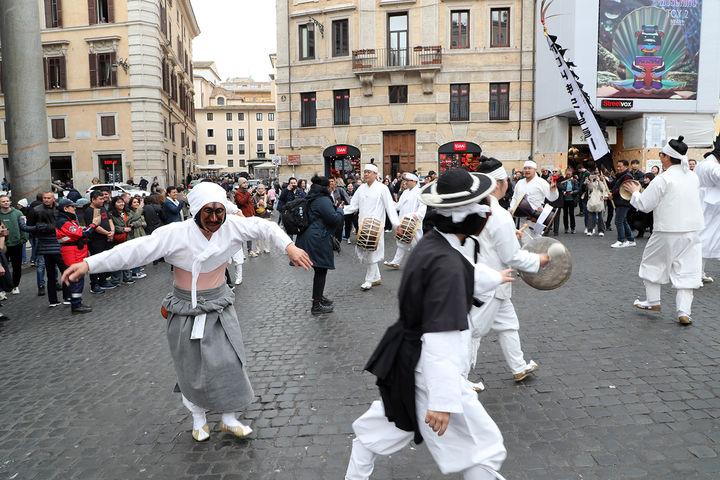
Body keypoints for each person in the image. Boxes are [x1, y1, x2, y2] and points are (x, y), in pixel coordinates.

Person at [62, 182, 312, 442]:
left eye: (219, 212)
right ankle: (199, 419)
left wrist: (289, 247)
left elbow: (265, 226)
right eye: (208, 212)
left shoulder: (233, 226)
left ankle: (228, 418)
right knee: (191, 366)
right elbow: (134, 251)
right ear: (195, 212)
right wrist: (89, 264)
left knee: (230, 361)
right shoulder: (175, 234)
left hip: (219, 305)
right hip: (185, 309)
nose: (214, 219)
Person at [345, 168, 509, 480]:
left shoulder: (435, 244)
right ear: (468, 218)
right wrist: (442, 402)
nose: (487, 213)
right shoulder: (444, 261)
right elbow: (441, 338)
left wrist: (497, 276)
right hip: (427, 369)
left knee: (380, 428)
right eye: (483, 207)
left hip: (407, 359)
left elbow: (467, 271)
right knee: (483, 449)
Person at [468, 158, 550, 384]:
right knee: (473, 331)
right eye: (505, 181)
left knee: (508, 325)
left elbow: (483, 239)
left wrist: (507, 238)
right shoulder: (500, 214)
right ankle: (458, 379)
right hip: (490, 282)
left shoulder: (475, 207)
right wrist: (539, 259)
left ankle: (518, 366)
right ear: (498, 184)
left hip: (492, 281)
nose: (508, 185)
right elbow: (512, 257)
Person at [624, 136, 704, 325]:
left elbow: (644, 205)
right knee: (687, 271)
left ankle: (653, 301)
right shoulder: (693, 176)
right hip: (692, 231)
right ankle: (684, 312)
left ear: (667, 158)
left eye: (661, 154)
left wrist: (635, 192)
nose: (660, 157)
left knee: (651, 264)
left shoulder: (663, 179)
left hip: (667, 230)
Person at [342, 164, 401, 290]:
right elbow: (353, 206)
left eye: (369, 172)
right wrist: (340, 211)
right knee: (367, 251)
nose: (366, 174)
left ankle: (369, 279)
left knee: (371, 252)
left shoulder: (382, 188)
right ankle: (377, 277)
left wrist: (396, 224)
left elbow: (390, 207)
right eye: (365, 172)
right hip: (363, 225)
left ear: (375, 174)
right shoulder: (361, 189)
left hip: (376, 226)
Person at [295, 175, 344, 315]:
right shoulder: (322, 199)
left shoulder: (313, 196)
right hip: (317, 238)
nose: (331, 187)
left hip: (311, 236)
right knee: (321, 269)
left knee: (319, 270)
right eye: (329, 186)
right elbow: (334, 219)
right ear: (326, 187)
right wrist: (340, 210)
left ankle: (319, 297)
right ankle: (316, 305)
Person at [20, 191, 71, 306]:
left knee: (63, 271)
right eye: (44, 198)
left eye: (49, 198)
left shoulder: (59, 209)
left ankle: (66, 297)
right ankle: (54, 300)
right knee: (51, 273)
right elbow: (31, 226)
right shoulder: (36, 210)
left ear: (54, 199)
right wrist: (40, 231)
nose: (46, 200)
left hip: (58, 242)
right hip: (45, 244)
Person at [55, 199, 95, 313]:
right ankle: (76, 305)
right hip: (72, 252)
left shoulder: (68, 220)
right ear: (65, 209)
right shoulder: (64, 221)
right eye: (72, 207)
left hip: (75, 251)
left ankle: (77, 302)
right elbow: (81, 233)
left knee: (78, 278)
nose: (75, 209)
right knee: (77, 278)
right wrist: (93, 224)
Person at [384, 172, 426, 269]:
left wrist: (417, 215)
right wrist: (389, 205)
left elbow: (423, 206)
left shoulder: (420, 192)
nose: (406, 183)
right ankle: (396, 262)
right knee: (402, 242)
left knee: (417, 244)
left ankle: (423, 264)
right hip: (403, 222)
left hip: (414, 223)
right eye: (405, 181)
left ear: (414, 181)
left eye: (408, 181)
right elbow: (399, 205)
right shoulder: (405, 192)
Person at [695, 135, 720, 284]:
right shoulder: (712, 166)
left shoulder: (705, 163)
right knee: (703, 240)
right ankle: (696, 273)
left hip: (707, 205)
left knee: (705, 240)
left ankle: (699, 272)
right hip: (709, 206)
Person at [84, 191, 116, 293]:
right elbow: (94, 226)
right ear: (93, 199)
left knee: (104, 260)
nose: (103, 200)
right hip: (96, 240)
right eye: (100, 199)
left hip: (106, 239)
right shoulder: (89, 211)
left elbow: (110, 220)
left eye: (103, 199)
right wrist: (107, 233)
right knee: (95, 262)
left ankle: (103, 280)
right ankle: (94, 284)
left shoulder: (102, 208)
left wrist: (112, 231)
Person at [0, 195, 28, 294]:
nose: (6, 203)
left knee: (17, 266)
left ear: (10, 202)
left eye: (7, 201)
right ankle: (3, 288)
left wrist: (24, 238)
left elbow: (24, 226)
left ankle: (15, 285)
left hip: (17, 244)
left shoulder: (17, 213)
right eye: (3, 201)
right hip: (3, 246)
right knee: (3, 266)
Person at [607, 160, 636, 248]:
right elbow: (612, 185)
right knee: (623, 221)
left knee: (618, 221)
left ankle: (621, 240)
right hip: (620, 201)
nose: (618, 168)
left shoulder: (627, 176)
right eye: (618, 166)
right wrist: (604, 179)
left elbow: (623, 188)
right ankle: (631, 240)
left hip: (623, 202)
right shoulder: (621, 176)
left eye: (620, 166)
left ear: (626, 167)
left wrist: (612, 194)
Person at [234, 178, 257, 256]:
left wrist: (253, 213)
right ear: (240, 184)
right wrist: (248, 193)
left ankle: (250, 251)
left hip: (250, 216)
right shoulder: (238, 193)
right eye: (244, 183)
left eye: (246, 182)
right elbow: (242, 202)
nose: (246, 184)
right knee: (242, 234)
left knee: (249, 234)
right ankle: (241, 253)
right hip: (242, 216)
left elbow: (250, 204)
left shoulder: (246, 192)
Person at [329, 177, 351, 243]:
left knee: (339, 229)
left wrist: (349, 207)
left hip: (339, 212)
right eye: (329, 181)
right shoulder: (326, 191)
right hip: (330, 212)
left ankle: (338, 241)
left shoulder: (340, 190)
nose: (331, 183)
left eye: (332, 181)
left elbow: (347, 200)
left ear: (335, 182)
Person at [252, 184, 271, 254]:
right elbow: (252, 206)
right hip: (257, 216)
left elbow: (271, 206)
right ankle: (258, 249)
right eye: (259, 188)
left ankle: (266, 248)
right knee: (257, 234)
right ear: (257, 189)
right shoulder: (254, 197)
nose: (260, 190)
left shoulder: (267, 196)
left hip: (266, 216)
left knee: (266, 233)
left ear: (264, 189)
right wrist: (258, 204)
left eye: (262, 189)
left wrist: (265, 205)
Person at [559, 168, 579, 234]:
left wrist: (573, 192)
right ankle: (566, 228)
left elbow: (577, 189)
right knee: (565, 214)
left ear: (571, 174)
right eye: (567, 174)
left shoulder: (574, 181)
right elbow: (561, 188)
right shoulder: (563, 180)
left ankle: (573, 228)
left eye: (569, 174)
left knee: (571, 214)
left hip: (572, 199)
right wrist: (563, 192)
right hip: (565, 199)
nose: (568, 175)